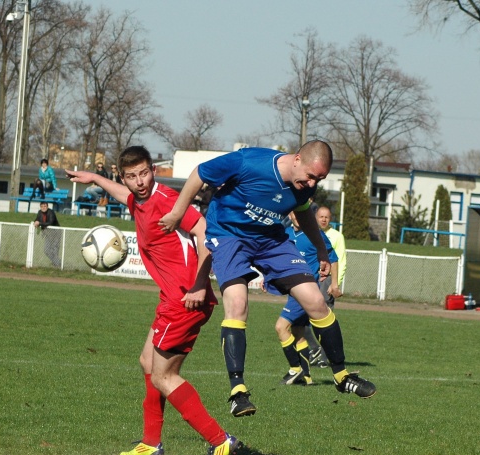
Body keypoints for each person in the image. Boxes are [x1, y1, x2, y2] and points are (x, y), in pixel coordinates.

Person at [158, 140, 377, 417]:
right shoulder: (249, 162)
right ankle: (238, 392)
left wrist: (321, 250)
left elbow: (303, 213)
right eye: (311, 176)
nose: (312, 184)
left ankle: (342, 376)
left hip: (271, 240)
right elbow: (200, 173)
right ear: (296, 159)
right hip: (229, 235)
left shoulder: (304, 186)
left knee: (315, 300)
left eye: (319, 179)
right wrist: (178, 212)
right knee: (237, 304)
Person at [64, 146, 240, 455]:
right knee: (148, 361)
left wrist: (200, 284)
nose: (140, 181)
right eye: (132, 176)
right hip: (172, 299)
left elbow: (205, 232)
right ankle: (151, 443)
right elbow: (125, 196)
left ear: (154, 171)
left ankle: (219, 439)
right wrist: (96, 179)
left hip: (186, 300)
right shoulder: (138, 199)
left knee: (163, 376)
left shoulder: (167, 200)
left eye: (144, 173)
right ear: (124, 178)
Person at [276, 212, 339, 386]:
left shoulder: (314, 234)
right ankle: (306, 377)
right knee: (298, 332)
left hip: (307, 290)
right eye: (294, 213)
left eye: (300, 213)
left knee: (281, 327)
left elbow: (333, 257)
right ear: (290, 214)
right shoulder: (286, 233)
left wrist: (334, 284)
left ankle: (295, 369)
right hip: (293, 289)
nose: (297, 217)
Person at [304, 204, 347, 365]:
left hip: (327, 280)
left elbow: (340, 260)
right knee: (302, 317)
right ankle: (314, 348)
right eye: (321, 216)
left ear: (330, 219)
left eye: (327, 217)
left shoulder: (336, 236)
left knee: (324, 319)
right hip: (311, 278)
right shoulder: (309, 232)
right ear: (315, 217)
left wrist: (335, 283)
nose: (323, 219)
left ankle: (324, 357)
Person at [32, 200, 61, 268]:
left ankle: (57, 265)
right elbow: (37, 220)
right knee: (46, 250)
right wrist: (35, 222)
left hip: (56, 233)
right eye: (42, 206)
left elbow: (50, 222)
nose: (43, 208)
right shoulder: (40, 212)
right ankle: (58, 262)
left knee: (54, 250)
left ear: (47, 207)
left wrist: (39, 223)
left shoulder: (51, 212)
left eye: (45, 206)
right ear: (40, 207)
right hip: (48, 234)